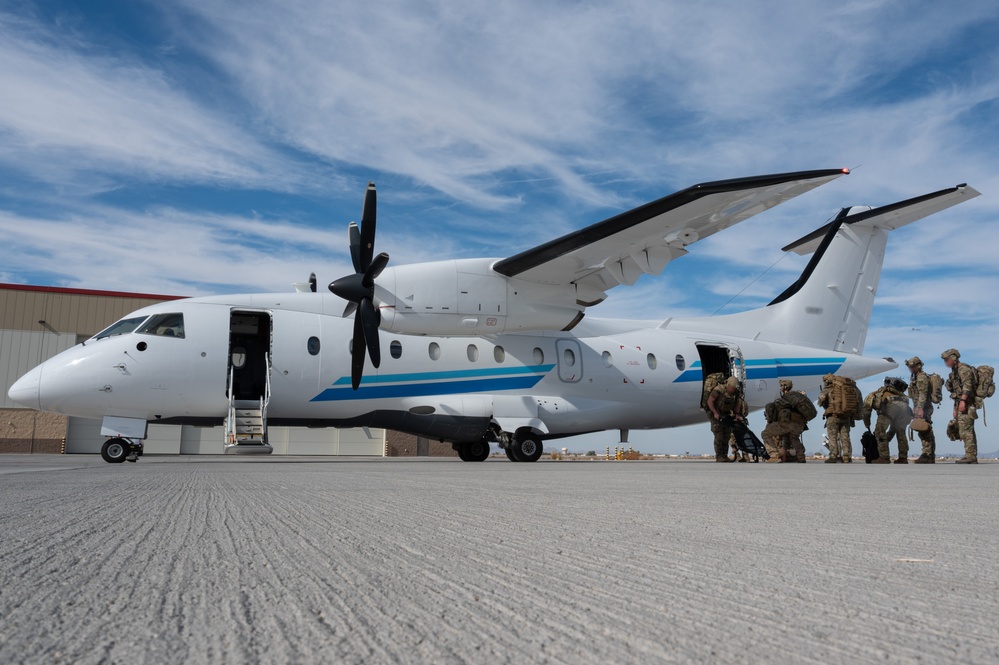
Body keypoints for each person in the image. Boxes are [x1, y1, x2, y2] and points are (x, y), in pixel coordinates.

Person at [862, 378, 912, 464]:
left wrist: (867, 424)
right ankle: (903, 457)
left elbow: (866, 411)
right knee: (901, 433)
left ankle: (884, 457)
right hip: (904, 406)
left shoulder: (874, 394)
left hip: (889, 407)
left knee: (879, 431)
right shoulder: (900, 394)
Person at [942, 349, 978, 464]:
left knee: (967, 429)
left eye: (947, 360)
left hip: (967, 403)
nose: (945, 362)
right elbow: (956, 391)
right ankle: (969, 454)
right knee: (963, 429)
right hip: (961, 403)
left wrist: (963, 401)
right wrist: (955, 407)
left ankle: (971, 456)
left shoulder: (963, 369)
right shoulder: (954, 372)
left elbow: (967, 386)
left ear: (953, 358)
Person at [817, 374, 862, 463]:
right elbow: (859, 401)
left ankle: (833, 456)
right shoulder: (850, 387)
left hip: (833, 415)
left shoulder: (829, 388)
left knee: (832, 436)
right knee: (845, 437)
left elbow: (820, 401)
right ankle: (846, 456)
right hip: (846, 415)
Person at [762, 379, 808, 463]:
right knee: (794, 437)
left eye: (781, 386)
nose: (780, 388)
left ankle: (774, 456)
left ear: (785, 387)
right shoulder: (798, 397)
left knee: (765, 433)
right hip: (799, 425)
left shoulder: (785, 400)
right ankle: (801, 457)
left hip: (788, 424)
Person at [906, 357, 937, 464]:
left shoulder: (921, 378)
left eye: (912, 366)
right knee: (923, 430)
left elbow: (923, 394)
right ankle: (929, 455)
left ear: (918, 366)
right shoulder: (915, 377)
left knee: (925, 430)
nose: (910, 369)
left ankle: (927, 454)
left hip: (924, 408)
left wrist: (920, 408)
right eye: (909, 367)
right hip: (920, 406)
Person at [706, 376, 744, 462]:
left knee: (726, 435)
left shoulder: (736, 392)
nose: (732, 390)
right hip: (716, 414)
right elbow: (709, 401)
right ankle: (719, 456)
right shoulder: (718, 390)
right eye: (731, 388)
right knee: (719, 435)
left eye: (734, 388)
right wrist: (715, 413)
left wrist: (737, 414)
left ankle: (724, 455)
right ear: (728, 385)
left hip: (726, 414)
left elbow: (737, 402)